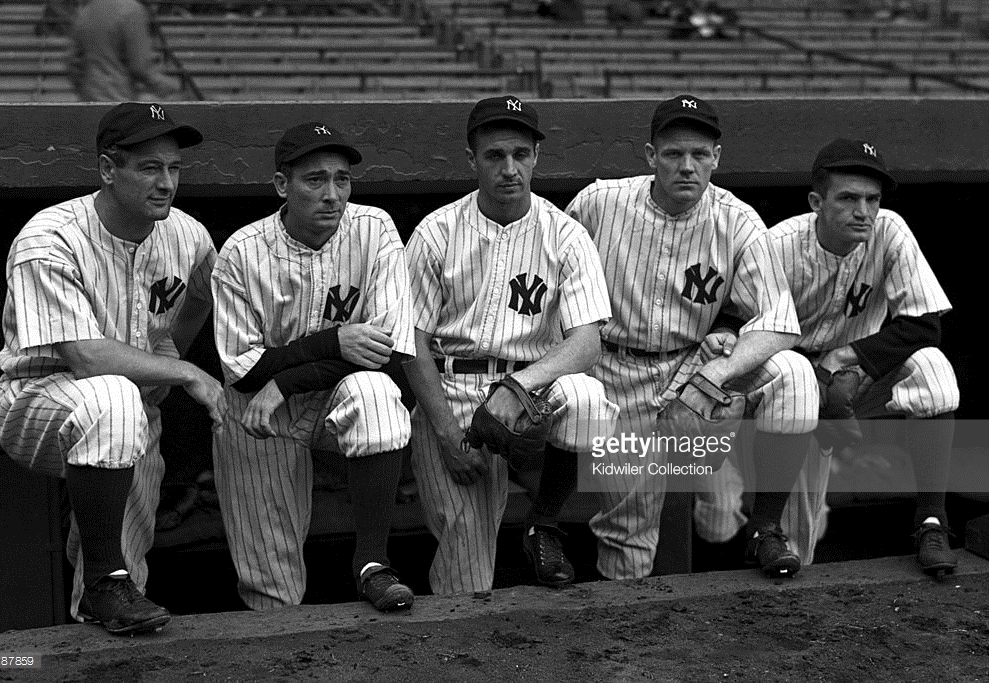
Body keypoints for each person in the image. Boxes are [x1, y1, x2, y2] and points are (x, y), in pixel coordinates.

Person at [0, 102, 224, 635]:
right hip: (34, 396)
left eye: (174, 169)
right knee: (114, 396)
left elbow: (201, 298)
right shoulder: (49, 237)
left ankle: (104, 613)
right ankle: (102, 582)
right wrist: (182, 372)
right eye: (148, 168)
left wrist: (167, 357)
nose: (166, 183)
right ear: (106, 169)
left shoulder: (187, 236)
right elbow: (85, 358)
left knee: (127, 571)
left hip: (127, 407)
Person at [565, 94, 820, 580]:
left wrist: (715, 372)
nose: (688, 167)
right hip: (614, 374)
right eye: (673, 154)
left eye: (700, 155)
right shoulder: (598, 203)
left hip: (691, 371)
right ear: (649, 156)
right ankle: (628, 640)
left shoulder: (737, 219)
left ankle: (765, 527)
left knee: (793, 374)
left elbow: (780, 319)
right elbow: (558, 284)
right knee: (627, 535)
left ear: (716, 159)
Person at [404, 95, 618, 595]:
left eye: (521, 154)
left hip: (531, 391)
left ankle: (543, 522)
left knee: (589, 401)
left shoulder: (565, 234)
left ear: (536, 158)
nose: (509, 168)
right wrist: (445, 435)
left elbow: (586, 345)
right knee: (468, 570)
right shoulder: (436, 232)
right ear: (471, 160)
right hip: (455, 390)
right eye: (495, 155)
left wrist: (516, 387)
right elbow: (410, 341)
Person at [211, 122, 416, 612]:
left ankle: (372, 563)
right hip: (258, 415)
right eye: (315, 180)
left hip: (327, 396)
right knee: (271, 586)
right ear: (283, 185)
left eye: (342, 180)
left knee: (377, 396)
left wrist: (287, 377)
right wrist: (333, 342)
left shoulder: (374, 227)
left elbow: (384, 354)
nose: (332, 195)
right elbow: (243, 370)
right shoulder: (241, 251)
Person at [763, 138, 960, 576]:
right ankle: (775, 573)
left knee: (934, 368)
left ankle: (932, 521)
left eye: (872, 199)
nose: (863, 211)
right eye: (849, 198)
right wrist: (822, 382)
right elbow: (755, 332)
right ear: (817, 201)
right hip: (794, 382)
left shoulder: (888, 229)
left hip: (860, 375)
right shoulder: (778, 245)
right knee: (800, 540)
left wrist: (846, 361)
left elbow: (926, 324)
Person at [67, 0, 181, 102]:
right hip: (118, 101)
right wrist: (170, 87)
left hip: (89, 100)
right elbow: (140, 68)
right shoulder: (131, 10)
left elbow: (73, 64)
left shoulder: (87, 11)